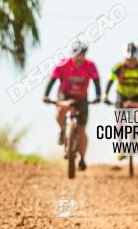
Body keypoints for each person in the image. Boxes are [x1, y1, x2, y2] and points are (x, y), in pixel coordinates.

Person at [43, 41, 101, 171]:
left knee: (81, 130)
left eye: (82, 55)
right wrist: (46, 95)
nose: (79, 57)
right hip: (65, 95)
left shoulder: (90, 66)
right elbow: (52, 80)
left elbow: (96, 81)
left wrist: (98, 96)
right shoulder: (63, 64)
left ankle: (82, 158)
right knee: (60, 112)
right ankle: (63, 130)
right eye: (77, 54)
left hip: (81, 98)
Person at [104, 42, 138, 162]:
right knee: (119, 121)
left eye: (133, 60)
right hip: (122, 96)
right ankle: (120, 147)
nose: (131, 62)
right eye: (129, 60)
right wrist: (105, 95)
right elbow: (110, 82)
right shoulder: (118, 68)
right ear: (124, 58)